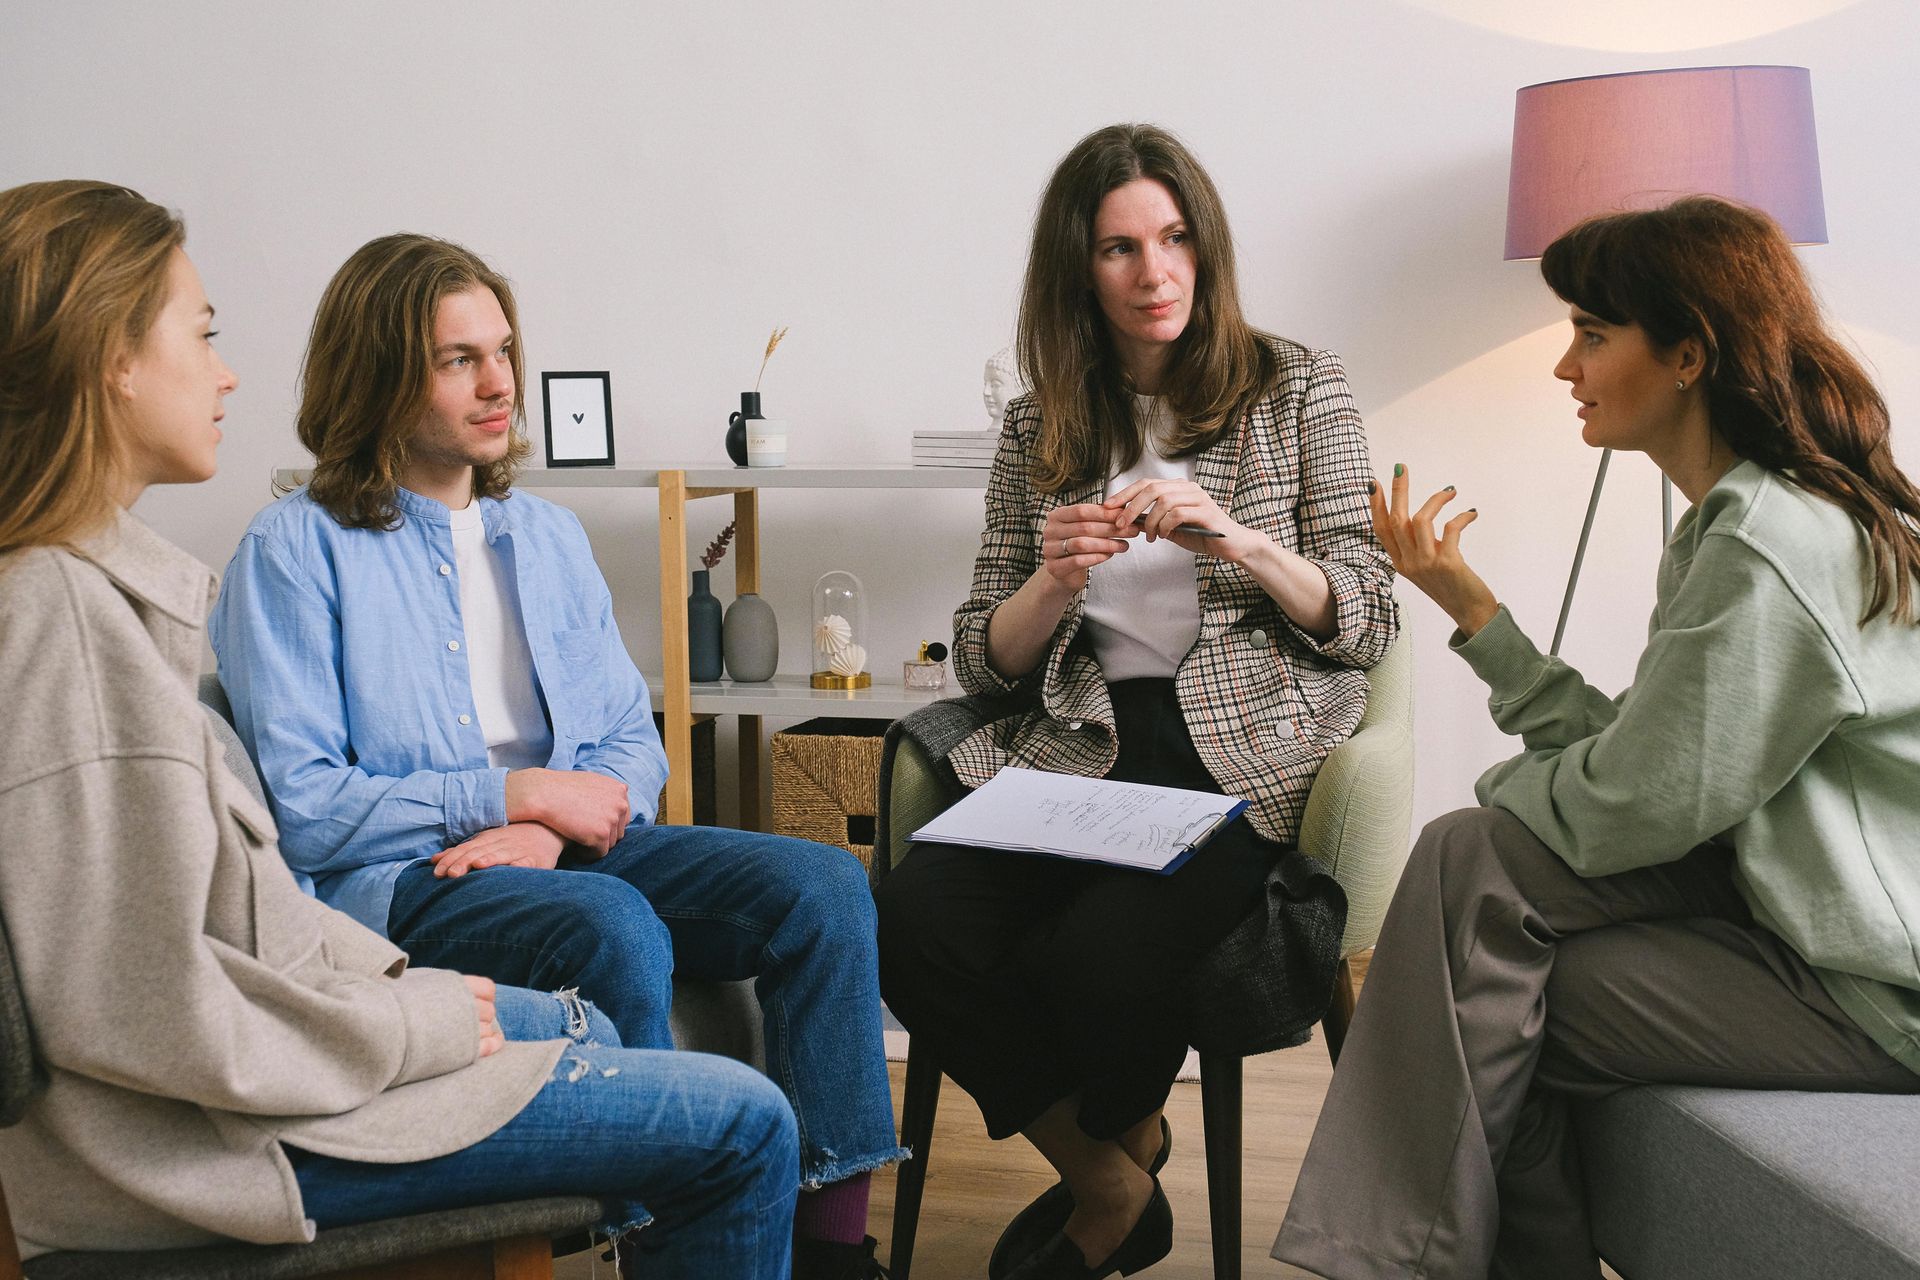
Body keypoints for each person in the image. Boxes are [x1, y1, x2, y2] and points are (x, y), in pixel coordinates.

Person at [0, 179, 797, 1273]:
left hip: (286, 1054)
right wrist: (411, 1019)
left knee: (617, 1010)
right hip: (225, 1150)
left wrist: (396, 985)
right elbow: (153, 1013)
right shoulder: (68, 626)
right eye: (205, 332)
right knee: (742, 1117)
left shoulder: (106, 604)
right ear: (111, 362)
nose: (229, 370)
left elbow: (234, 914)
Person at [206, 232, 902, 1279]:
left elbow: (629, 737)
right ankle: (654, 1233)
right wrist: (511, 792)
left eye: (503, 350)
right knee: (610, 920)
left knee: (819, 884)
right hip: (406, 883)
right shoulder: (293, 550)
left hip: (566, 840)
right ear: (380, 372)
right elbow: (305, 805)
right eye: (458, 359)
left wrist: (540, 821)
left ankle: (834, 1250)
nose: (499, 384)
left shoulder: (546, 535)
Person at [1272, 196, 1920, 1280]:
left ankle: (1398, 1260)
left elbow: (1631, 805)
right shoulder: (1746, 521)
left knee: (1474, 901)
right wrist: (1478, 613)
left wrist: (1507, 783)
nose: (1566, 366)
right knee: (1480, 938)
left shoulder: (1770, 545)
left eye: (1591, 331)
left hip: (1869, 988)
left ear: (1686, 354)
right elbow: (1656, 764)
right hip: (1784, 917)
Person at [875, 123, 1398, 1280]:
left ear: (1203, 249)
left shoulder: (1299, 385)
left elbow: (1368, 610)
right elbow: (983, 661)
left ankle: (1122, 1159)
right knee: (914, 918)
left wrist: (1241, 539)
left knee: (1092, 956)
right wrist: (1050, 580)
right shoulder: (1038, 423)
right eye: (1119, 249)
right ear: (1079, 270)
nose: (1153, 273)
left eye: (1172, 240)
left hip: (1237, 753)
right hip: (1084, 745)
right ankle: (1112, 1176)